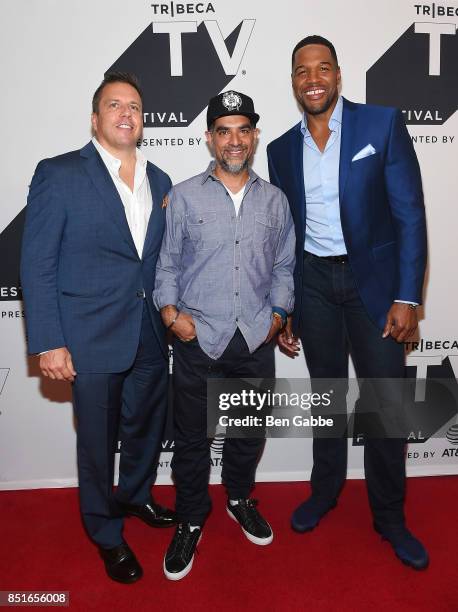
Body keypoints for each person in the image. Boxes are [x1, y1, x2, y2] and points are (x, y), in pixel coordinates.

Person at [267, 36, 428, 570]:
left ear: (337, 74)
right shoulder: (280, 149)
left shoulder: (379, 125)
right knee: (326, 396)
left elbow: (410, 215)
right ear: (293, 81)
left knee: (385, 401)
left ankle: (389, 516)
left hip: (374, 288)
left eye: (321, 69)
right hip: (312, 281)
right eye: (301, 71)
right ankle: (325, 489)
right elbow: (286, 234)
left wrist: (408, 297)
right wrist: (285, 305)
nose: (312, 79)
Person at [21, 72, 176, 584]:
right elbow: (37, 263)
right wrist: (48, 340)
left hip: (150, 330)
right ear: (95, 118)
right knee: (96, 442)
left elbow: (160, 262)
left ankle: (135, 497)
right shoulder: (59, 174)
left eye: (134, 105)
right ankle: (105, 533)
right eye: (114, 105)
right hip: (87, 336)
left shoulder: (160, 180)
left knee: (144, 429)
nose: (126, 113)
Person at [154, 90, 295, 580]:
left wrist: (278, 315)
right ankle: (192, 517)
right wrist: (172, 315)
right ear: (210, 138)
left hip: (254, 337)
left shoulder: (275, 200)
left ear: (254, 136)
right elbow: (167, 262)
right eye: (223, 131)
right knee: (192, 438)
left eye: (242, 130)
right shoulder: (185, 194)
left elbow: (284, 265)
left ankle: (238, 496)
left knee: (247, 431)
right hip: (198, 337)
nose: (233, 140)